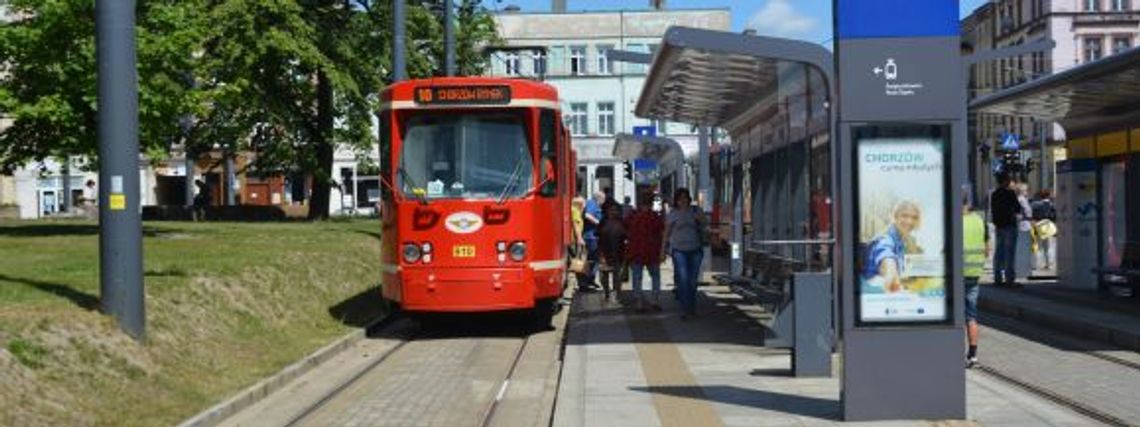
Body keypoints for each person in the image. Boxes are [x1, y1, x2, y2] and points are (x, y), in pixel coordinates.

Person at [861, 201, 922, 293]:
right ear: (895, 217)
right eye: (904, 216)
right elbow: (885, 254)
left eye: (914, 217)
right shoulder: (886, 238)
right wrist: (890, 272)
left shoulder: (900, 242)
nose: (909, 221)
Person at [664, 188, 706, 319]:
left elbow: (705, 224)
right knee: (683, 280)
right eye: (680, 198)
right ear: (676, 200)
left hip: (695, 249)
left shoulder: (696, 210)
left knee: (693, 282)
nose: (683, 200)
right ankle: (686, 310)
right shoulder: (673, 213)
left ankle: (691, 308)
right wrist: (662, 251)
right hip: (679, 250)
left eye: (685, 197)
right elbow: (666, 233)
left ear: (689, 198)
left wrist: (701, 219)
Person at [625, 192, 665, 312]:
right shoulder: (655, 217)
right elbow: (662, 233)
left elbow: (625, 228)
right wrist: (663, 251)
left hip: (636, 251)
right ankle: (655, 301)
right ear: (651, 204)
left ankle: (639, 303)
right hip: (652, 251)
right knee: (655, 276)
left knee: (637, 278)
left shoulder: (633, 215)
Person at [963, 198, 988, 368]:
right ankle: (973, 356)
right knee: (971, 316)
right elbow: (987, 249)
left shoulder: (954, 222)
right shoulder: (980, 221)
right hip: (975, 273)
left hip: (957, 273)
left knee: (953, 315)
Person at [989, 174, 1021, 288]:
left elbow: (993, 210)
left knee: (998, 253)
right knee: (1009, 253)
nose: (1010, 182)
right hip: (1009, 225)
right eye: (1009, 180)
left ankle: (997, 277)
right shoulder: (1010, 193)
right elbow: (1018, 208)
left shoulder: (994, 194)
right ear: (1005, 181)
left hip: (999, 226)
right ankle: (1009, 279)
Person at [597, 203, 628, 303]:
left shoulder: (622, 222)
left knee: (617, 275)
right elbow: (597, 233)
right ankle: (607, 292)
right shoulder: (603, 222)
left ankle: (617, 294)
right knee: (603, 276)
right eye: (611, 210)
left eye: (615, 210)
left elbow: (626, 235)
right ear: (607, 211)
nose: (613, 212)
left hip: (618, 252)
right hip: (604, 252)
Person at [582, 190, 605, 290]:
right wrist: (598, 223)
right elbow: (587, 215)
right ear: (599, 198)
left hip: (592, 236)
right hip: (591, 237)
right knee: (593, 259)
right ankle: (588, 281)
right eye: (603, 199)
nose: (604, 202)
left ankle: (590, 280)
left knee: (594, 259)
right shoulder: (592, 203)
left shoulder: (592, 204)